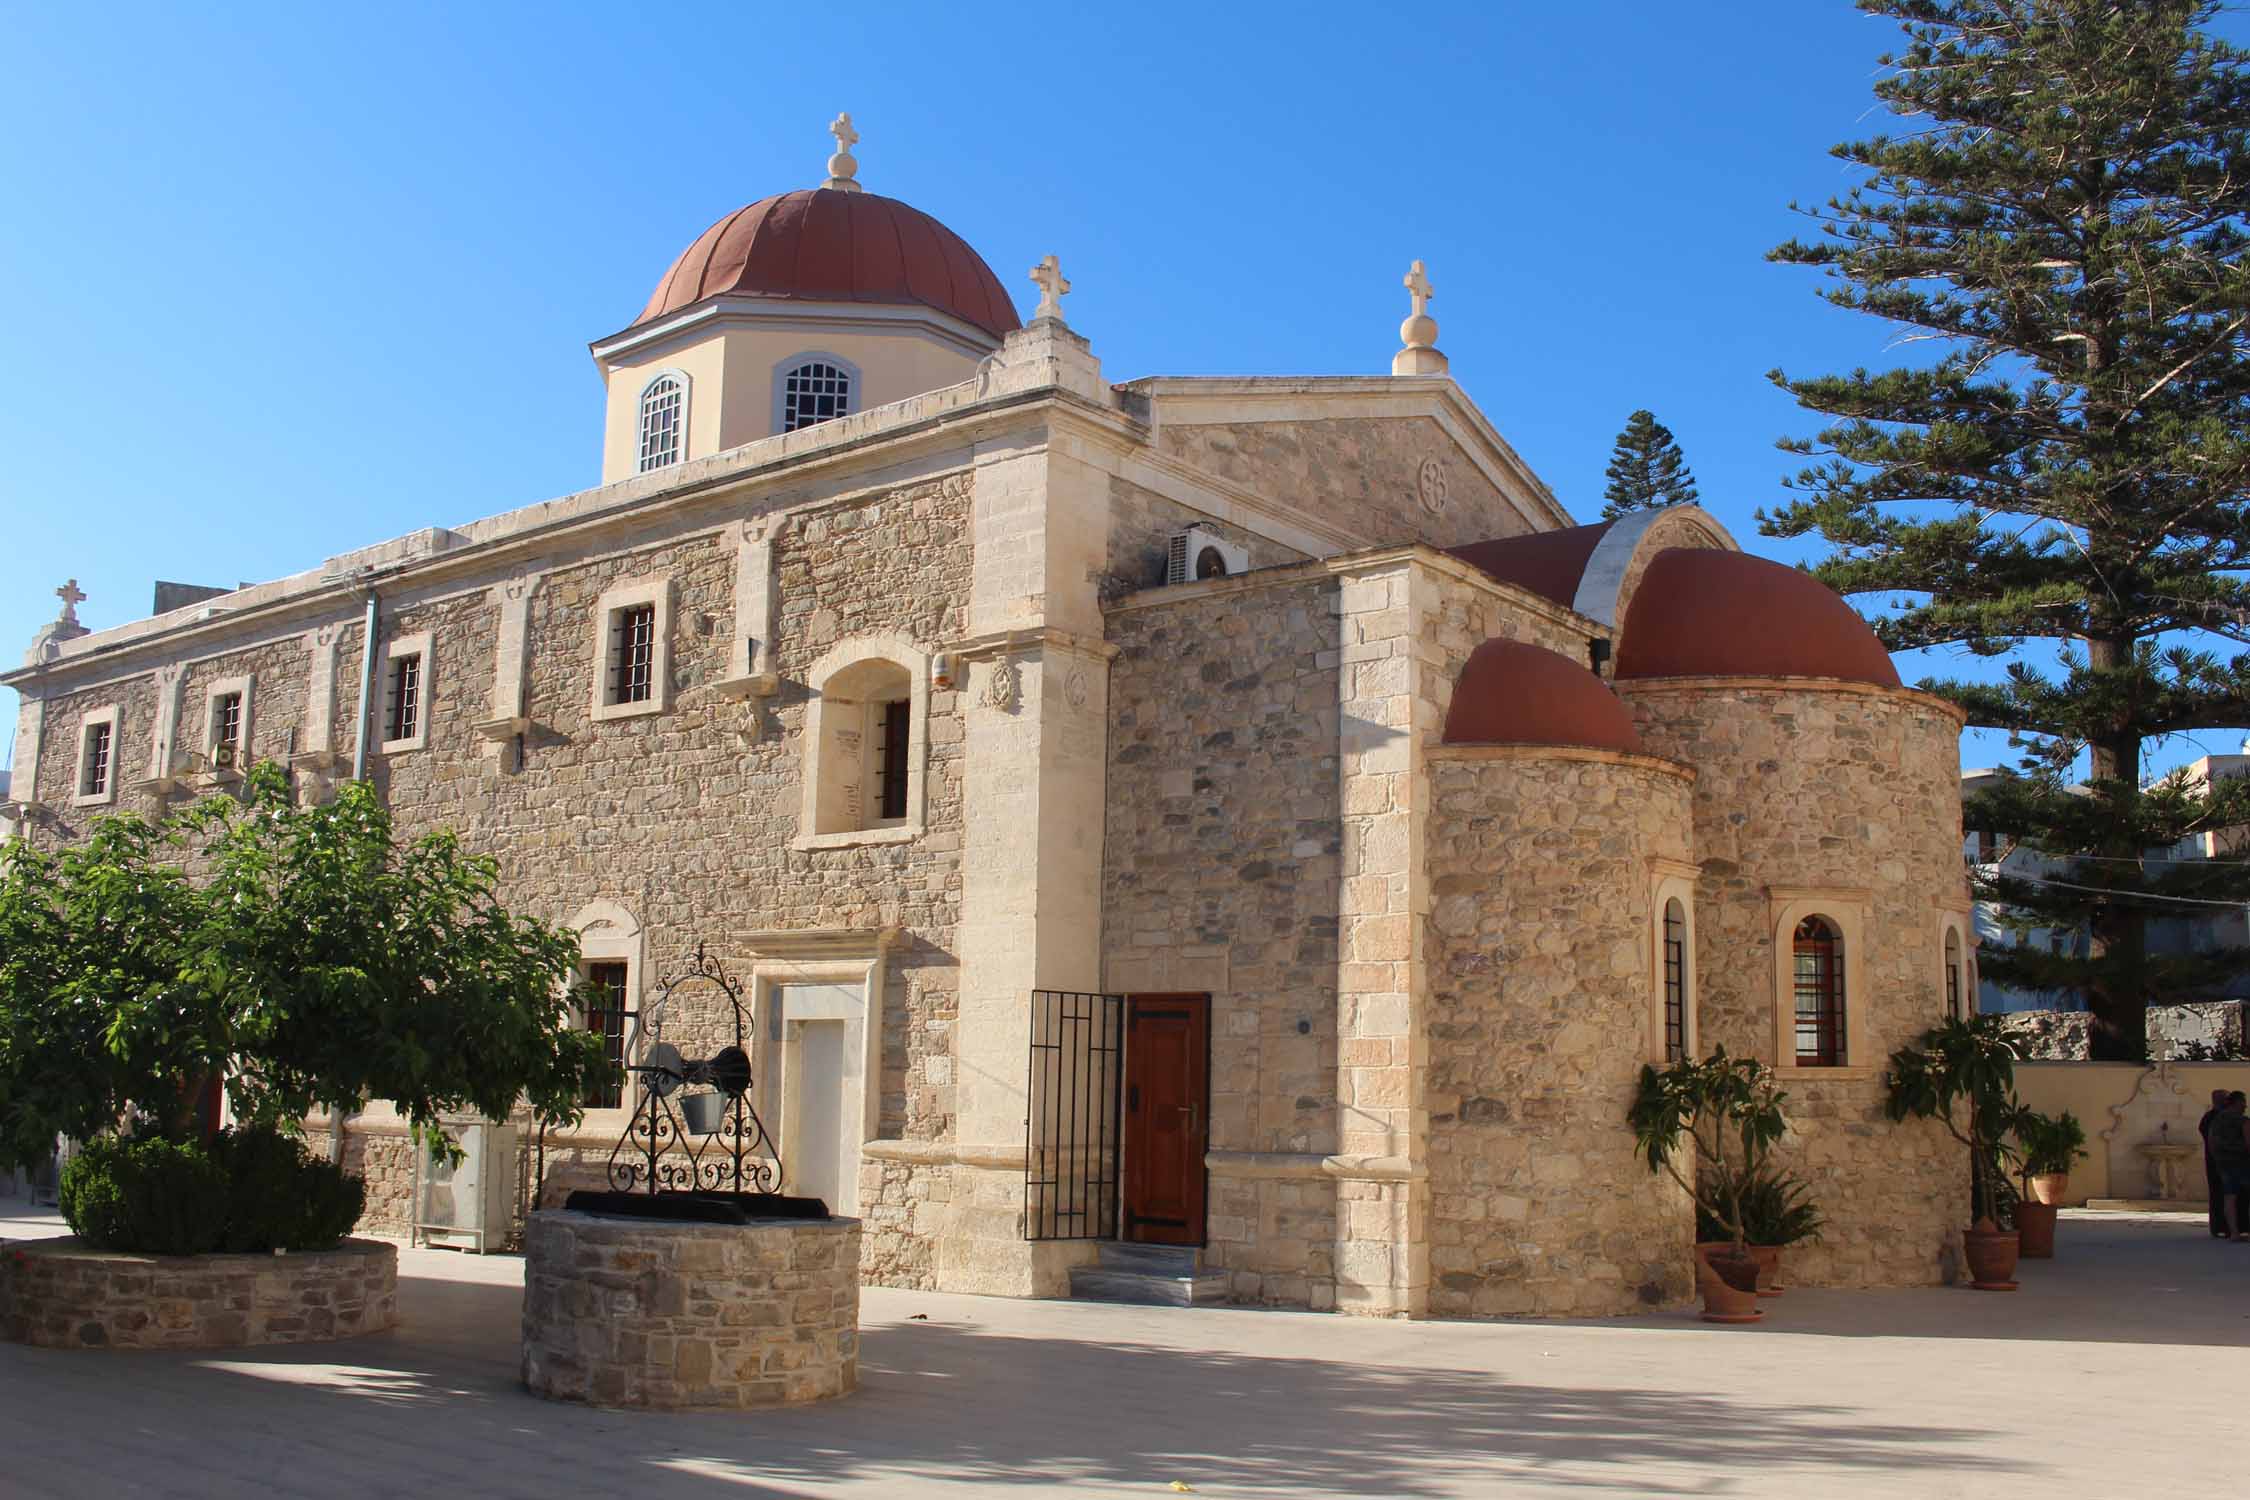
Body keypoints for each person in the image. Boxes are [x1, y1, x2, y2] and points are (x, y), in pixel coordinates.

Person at [2212, 1091, 2250, 1244]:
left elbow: (2212, 1141)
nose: (2245, 1106)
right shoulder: (2243, 1120)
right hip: (2242, 1162)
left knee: (2229, 1197)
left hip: (2224, 1163)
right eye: (2243, 1102)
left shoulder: (2217, 1119)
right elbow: (2249, 1143)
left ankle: (2233, 1232)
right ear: (2238, 1102)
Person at [2202, 1088, 2234, 1239]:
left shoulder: (2211, 1117)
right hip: (2219, 1161)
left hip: (2217, 1160)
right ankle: (2222, 1227)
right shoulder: (2214, 1118)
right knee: (2221, 1194)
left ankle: (2223, 1227)